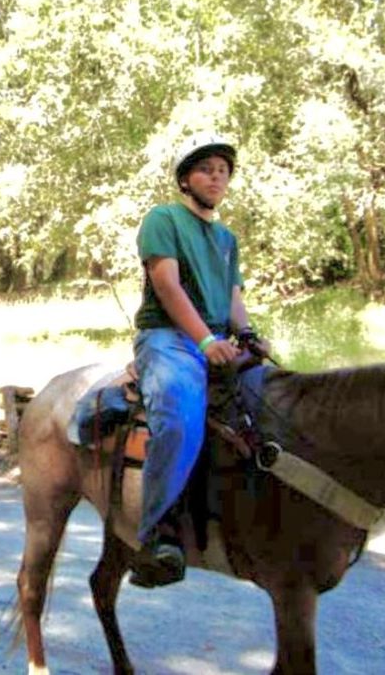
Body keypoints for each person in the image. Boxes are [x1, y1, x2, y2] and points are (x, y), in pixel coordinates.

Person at [129, 132, 267, 589]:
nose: (217, 177)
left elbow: (233, 295)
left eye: (223, 170)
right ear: (186, 178)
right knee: (180, 409)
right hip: (168, 338)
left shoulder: (226, 237)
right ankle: (157, 534)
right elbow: (167, 286)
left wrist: (246, 333)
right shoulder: (163, 219)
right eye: (207, 168)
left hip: (215, 336)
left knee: (274, 396)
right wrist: (207, 342)